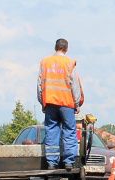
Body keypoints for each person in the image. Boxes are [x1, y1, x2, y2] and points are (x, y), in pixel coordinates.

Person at [36, 38, 84, 169]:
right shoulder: (69, 63)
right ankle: (68, 161)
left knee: (51, 131)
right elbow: (75, 85)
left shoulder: (45, 62)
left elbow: (40, 85)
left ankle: (52, 162)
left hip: (50, 103)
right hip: (66, 103)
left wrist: (42, 102)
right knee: (69, 131)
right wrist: (77, 104)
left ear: (55, 47)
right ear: (66, 49)